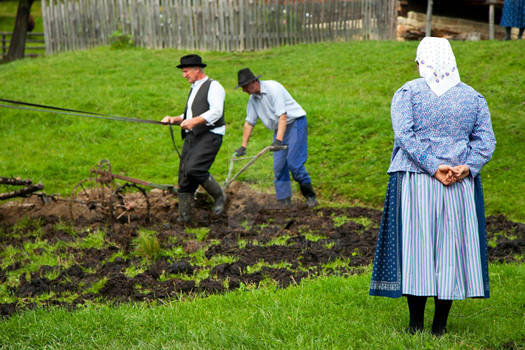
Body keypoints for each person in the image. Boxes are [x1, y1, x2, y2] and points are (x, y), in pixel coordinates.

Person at [369, 37, 496, 336]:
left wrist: (431, 165)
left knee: (419, 251)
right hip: (458, 184)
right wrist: (467, 167)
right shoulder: (473, 97)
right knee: (449, 253)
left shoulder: (408, 92)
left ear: (422, 61)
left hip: (417, 181)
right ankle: (439, 328)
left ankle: (416, 326)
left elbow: (404, 135)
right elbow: (486, 141)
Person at [234, 68, 317, 207]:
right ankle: (284, 202)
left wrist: (278, 141)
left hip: (295, 123)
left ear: (254, 82)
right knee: (279, 166)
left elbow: (282, 116)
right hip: (280, 128)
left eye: (245, 87)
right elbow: (249, 122)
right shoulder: (253, 99)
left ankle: (310, 197)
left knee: (294, 163)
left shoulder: (273, 88)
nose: (244, 90)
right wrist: (243, 146)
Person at [161, 54, 227, 224]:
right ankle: (185, 219)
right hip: (194, 135)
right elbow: (191, 114)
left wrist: (193, 121)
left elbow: (216, 111)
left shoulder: (214, 86)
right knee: (184, 177)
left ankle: (220, 196)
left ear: (197, 69)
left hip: (210, 134)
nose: (184, 75)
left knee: (194, 169)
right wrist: (176, 119)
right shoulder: (195, 87)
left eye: (186, 71)